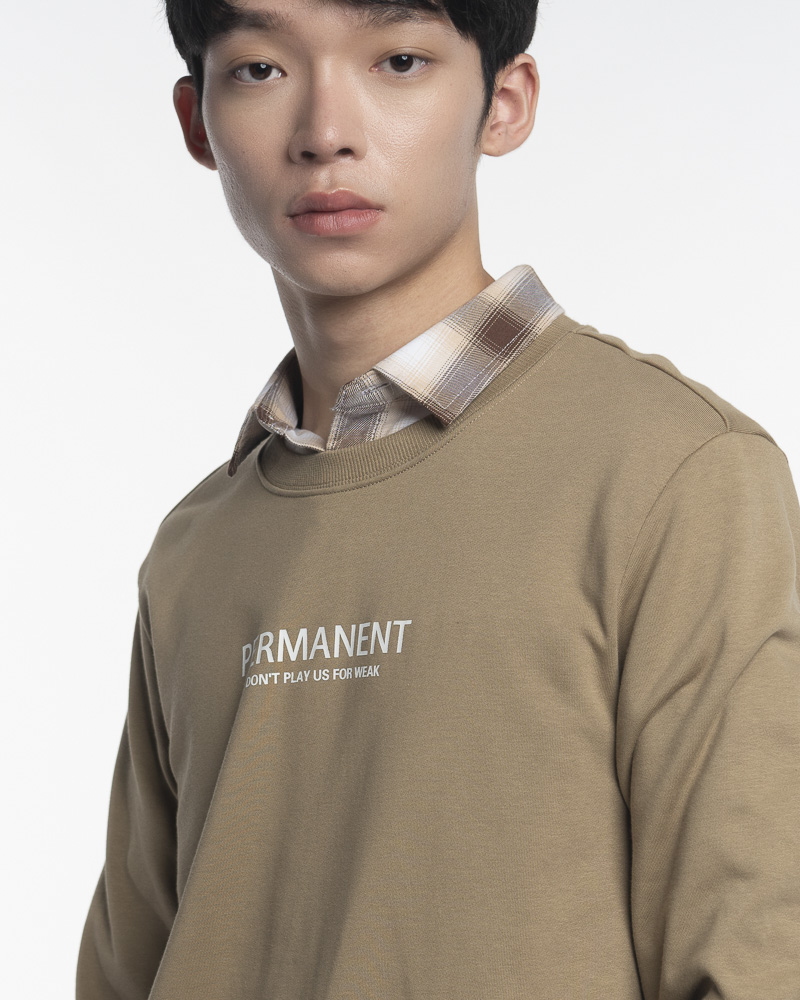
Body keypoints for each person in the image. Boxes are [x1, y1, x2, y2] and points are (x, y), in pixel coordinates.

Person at [75, 1, 800, 997]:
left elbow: (754, 962)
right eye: (260, 70)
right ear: (198, 123)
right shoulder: (195, 547)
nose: (325, 131)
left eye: (400, 61)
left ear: (504, 103)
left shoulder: (675, 471)